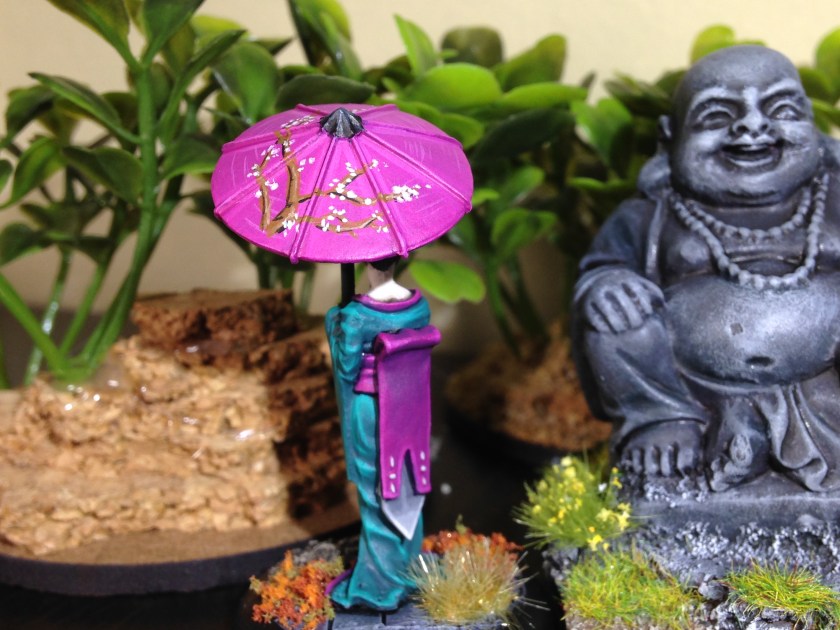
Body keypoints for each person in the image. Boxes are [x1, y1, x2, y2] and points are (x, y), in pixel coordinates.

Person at [573, 45, 840, 492]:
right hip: (691, 387)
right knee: (613, 313)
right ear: (669, 139)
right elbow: (602, 268)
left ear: (813, 124)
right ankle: (661, 421)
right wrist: (608, 284)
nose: (752, 125)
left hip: (824, 381)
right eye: (716, 115)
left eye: (780, 109)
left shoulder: (834, 197)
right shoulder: (651, 213)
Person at [326, 257, 439, 609]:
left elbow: (347, 367)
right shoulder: (419, 306)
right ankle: (408, 564)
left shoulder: (357, 315)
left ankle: (380, 582)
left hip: (372, 408)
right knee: (407, 479)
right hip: (410, 405)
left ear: (365, 265)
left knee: (374, 490)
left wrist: (338, 323)